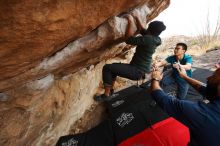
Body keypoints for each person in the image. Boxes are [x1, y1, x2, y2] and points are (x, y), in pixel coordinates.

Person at [94, 14, 166, 101]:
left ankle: (106, 95)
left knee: (107, 68)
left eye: (148, 27)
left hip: (137, 71)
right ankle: (110, 91)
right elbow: (143, 30)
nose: (146, 28)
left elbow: (128, 39)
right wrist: (136, 17)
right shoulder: (157, 39)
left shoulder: (148, 39)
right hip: (140, 70)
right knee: (113, 67)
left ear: (150, 29)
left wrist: (130, 21)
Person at [150, 66, 220, 146]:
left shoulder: (201, 113)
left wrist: (155, 79)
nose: (208, 78)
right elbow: (203, 89)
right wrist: (184, 76)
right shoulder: (216, 96)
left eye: (213, 77)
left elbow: (158, 95)